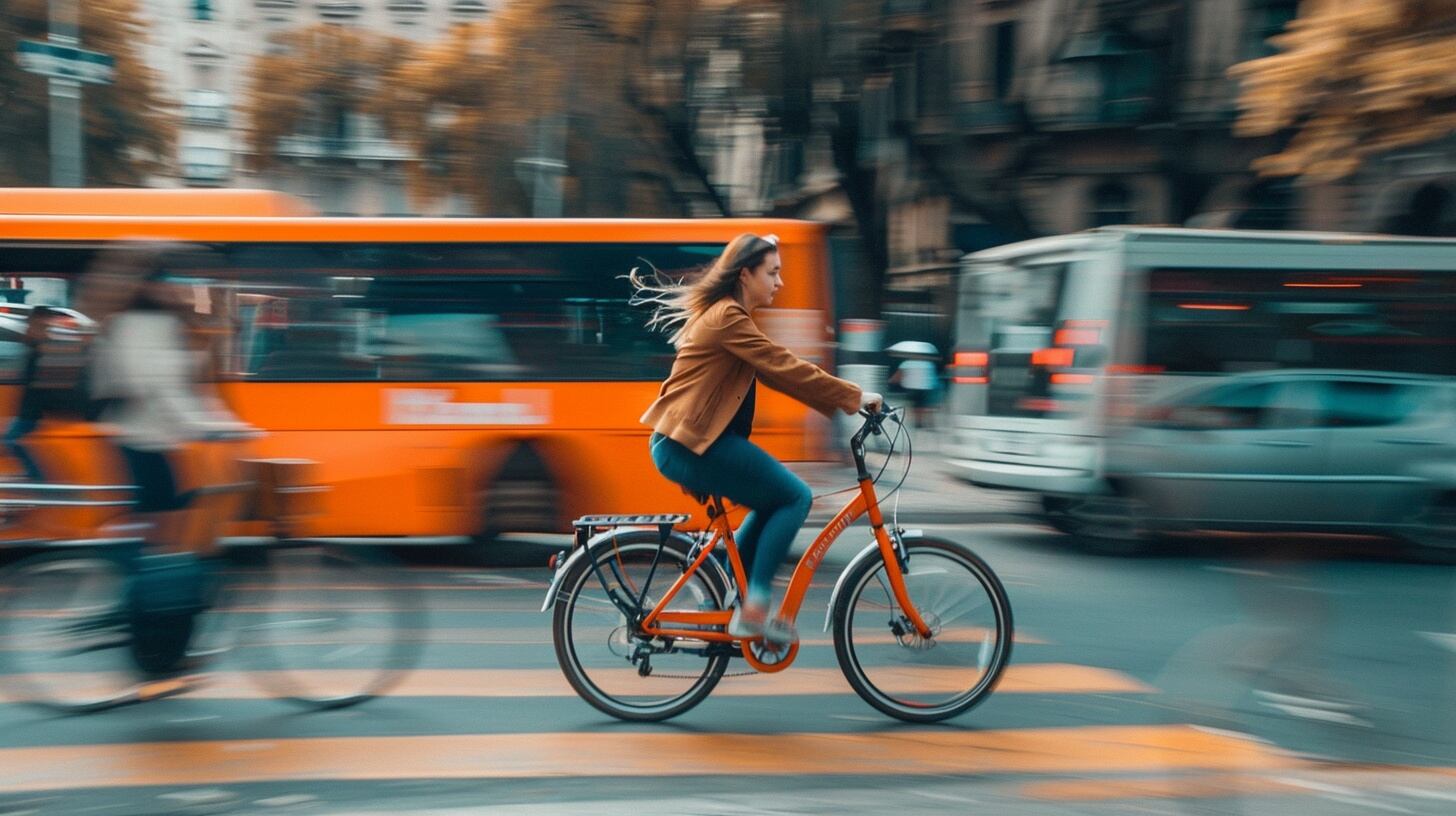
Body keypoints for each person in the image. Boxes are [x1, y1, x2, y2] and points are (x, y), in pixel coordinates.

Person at [633, 233, 882, 646]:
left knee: (772, 501)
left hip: (689, 442)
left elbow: (777, 374)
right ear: (745, 274)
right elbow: (783, 365)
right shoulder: (728, 317)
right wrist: (854, 397)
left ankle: (737, 599)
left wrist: (840, 403)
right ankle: (754, 607)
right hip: (689, 444)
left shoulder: (729, 316)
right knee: (795, 497)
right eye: (773, 272)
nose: (779, 282)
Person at [82, 244, 253, 679]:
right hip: (141, 441)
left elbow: (190, 388)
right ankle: (150, 636)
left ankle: (154, 635)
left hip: (155, 441)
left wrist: (224, 423)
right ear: (147, 286)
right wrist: (210, 427)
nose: (176, 290)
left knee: (169, 536)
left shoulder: (156, 324)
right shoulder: (139, 325)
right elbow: (158, 389)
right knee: (163, 545)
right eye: (167, 283)